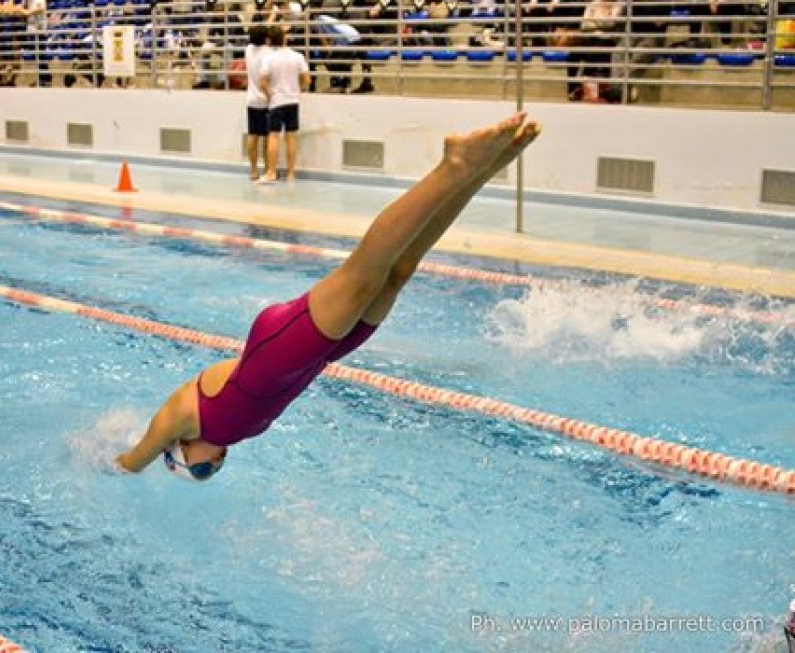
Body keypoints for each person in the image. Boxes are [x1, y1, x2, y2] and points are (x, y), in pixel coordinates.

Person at [115, 112, 541, 482]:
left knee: (362, 273)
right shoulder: (221, 428)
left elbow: (131, 461)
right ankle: (481, 171)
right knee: (398, 273)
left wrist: (100, 462)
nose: (218, 464)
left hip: (283, 349)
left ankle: (453, 164)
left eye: (203, 469)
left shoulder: (181, 416)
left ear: (179, 450)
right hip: (319, 355)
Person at [258, 25, 308, 183]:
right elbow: (307, 80)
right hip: (293, 100)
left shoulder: (268, 59)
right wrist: (297, 89)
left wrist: (270, 94)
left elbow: (263, 82)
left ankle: (272, 172)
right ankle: (291, 174)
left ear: (271, 41)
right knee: (291, 137)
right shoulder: (298, 56)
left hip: (277, 101)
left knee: (274, 136)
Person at [244, 24, 271, 181]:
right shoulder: (268, 53)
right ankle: (268, 169)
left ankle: (253, 170)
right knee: (268, 137)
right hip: (265, 100)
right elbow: (265, 79)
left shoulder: (248, 50)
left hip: (251, 99)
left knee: (253, 136)